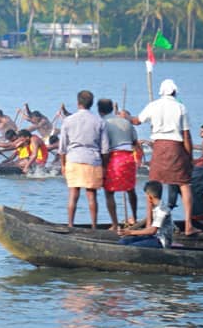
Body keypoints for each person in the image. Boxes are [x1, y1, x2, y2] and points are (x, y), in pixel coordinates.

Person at [133, 78, 198, 235]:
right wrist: (189, 158)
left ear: (161, 92)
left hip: (159, 148)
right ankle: (189, 225)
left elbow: (137, 121)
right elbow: (187, 136)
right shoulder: (181, 107)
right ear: (175, 92)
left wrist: (125, 116)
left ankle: (149, 223)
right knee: (184, 184)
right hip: (176, 148)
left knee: (153, 185)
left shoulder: (153, 105)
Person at [58, 89, 110, 228]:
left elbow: (62, 147)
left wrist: (63, 165)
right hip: (92, 160)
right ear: (91, 104)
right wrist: (105, 167)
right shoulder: (99, 121)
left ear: (78, 103)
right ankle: (94, 226)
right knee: (91, 195)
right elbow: (105, 149)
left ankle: (70, 224)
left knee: (73, 194)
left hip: (73, 159)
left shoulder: (68, 120)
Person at [98, 98, 140, 231]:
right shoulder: (126, 122)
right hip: (128, 158)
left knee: (109, 192)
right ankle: (135, 218)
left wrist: (102, 165)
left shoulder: (103, 123)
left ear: (100, 110)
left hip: (114, 158)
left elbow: (103, 146)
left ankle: (115, 224)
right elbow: (135, 142)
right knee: (131, 189)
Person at [118, 181, 174, 248]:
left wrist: (130, 232)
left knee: (132, 247)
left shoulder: (162, 210)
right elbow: (147, 223)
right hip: (154, 237)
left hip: (161, 241)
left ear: (150, 197)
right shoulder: (157, 207)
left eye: (146, 196)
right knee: (123, 242)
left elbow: (152, 230)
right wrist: (129, 229)